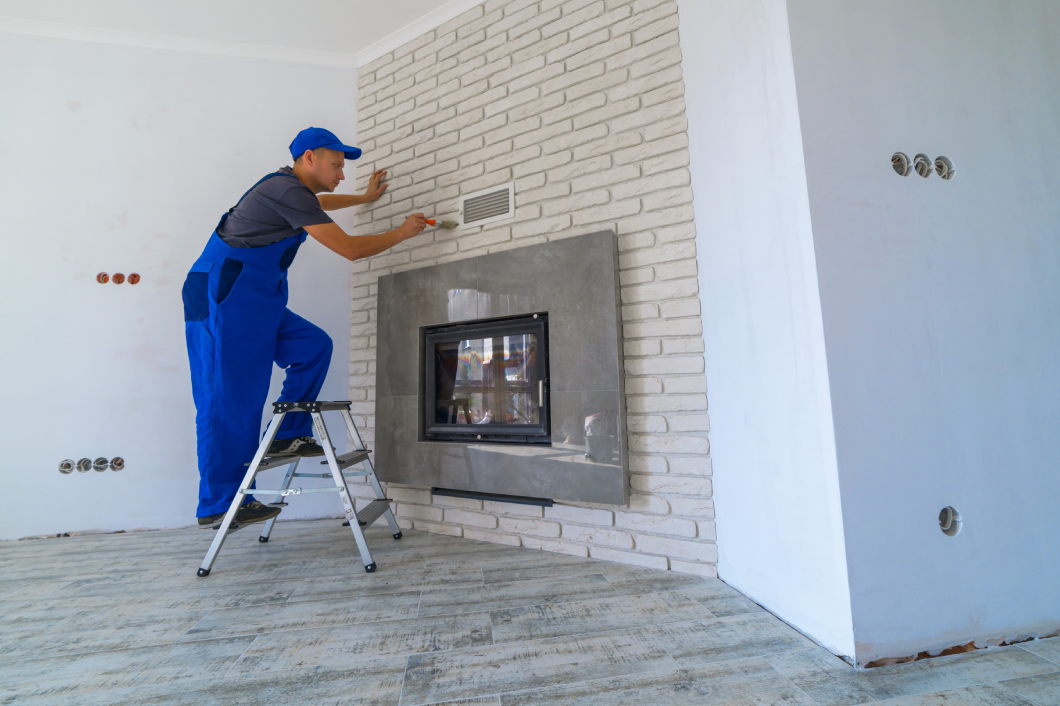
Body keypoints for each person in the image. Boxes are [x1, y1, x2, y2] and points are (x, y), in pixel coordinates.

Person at [182, 127, 427, 529]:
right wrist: (401, 233)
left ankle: (288, 433)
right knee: (227, 397)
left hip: (258, 298)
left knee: (313, 346)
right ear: (309, 157)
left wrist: (364, 199)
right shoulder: (285, 189)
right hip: (224, 295)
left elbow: (322, 200)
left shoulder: (292, 192)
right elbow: (349, 249)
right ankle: (218, 502)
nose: (341, 174)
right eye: (336, 165)